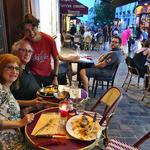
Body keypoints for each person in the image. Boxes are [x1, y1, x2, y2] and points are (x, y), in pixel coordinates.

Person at [0, 54, 47, 150]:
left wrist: (32, 103)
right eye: (10, 67)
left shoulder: (6, 87)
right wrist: (21, 122)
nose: (14, 71)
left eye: (17, 69)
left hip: (18, 138)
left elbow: (10, 102)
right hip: (7, 144)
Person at [19, 14, 59, 87]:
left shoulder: (49, 40)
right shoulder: (24, 43)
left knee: (50, 94)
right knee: (36, 95)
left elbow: (56, 59)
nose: (31, 33)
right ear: (24, 32)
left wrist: (55, 77)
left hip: (48, 74)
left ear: (37, 27)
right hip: (33, 76)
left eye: (33, 28)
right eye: (27, 31)